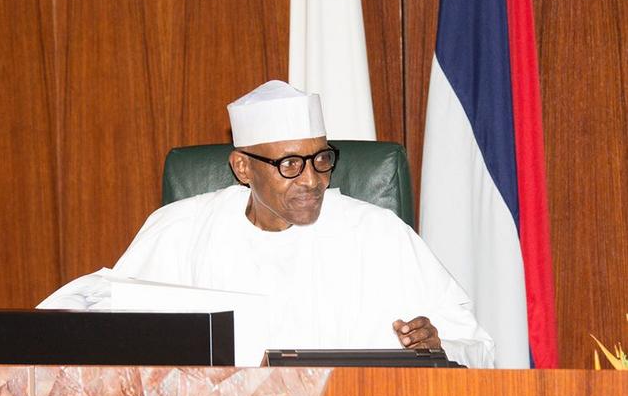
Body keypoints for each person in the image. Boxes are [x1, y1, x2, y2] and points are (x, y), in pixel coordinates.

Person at [39, 80, 495, 368]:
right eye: (290, 164)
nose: (313, 180)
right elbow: (97, 319)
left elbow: (477, 346)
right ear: (242, 167)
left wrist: (439, 347)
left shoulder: (378, 233)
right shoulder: (182, 230)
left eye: (321, 158)